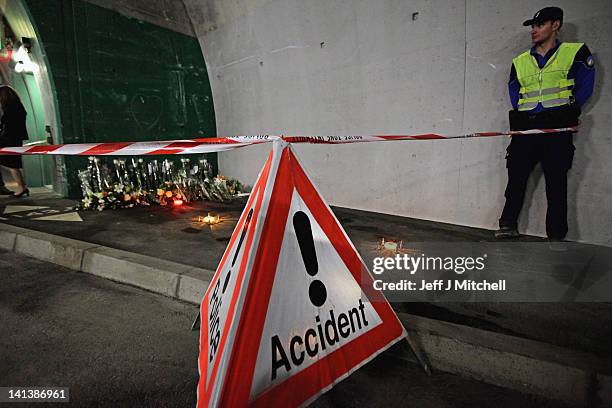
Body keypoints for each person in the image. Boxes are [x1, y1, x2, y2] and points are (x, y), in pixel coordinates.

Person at [495, 6, 595, 240]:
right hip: (525, 127)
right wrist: (528, 114)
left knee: (556, 185)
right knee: (515, 180)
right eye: (533, 26)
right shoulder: (519, 61)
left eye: (539, 25)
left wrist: (565, 112)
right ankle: (507, 225)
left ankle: (556, 237)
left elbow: (585, 86)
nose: (534, 30)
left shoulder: (575, 52)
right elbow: (515, 92)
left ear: (556, 25)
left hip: (557, 128)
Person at [0, 85, 29, 198]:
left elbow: (7, 127)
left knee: (13, 165)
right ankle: (22, 187)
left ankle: (21, 188)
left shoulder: (9, 109)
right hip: (16, 139)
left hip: (8, 139)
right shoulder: (18, 107)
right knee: (14, 165)